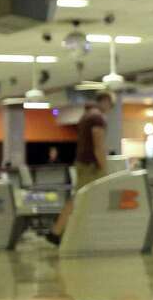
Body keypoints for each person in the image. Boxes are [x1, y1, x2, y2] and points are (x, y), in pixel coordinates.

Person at [46, 91, 113, 246]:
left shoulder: (86, 116)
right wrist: (104, 168)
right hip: (91, 165)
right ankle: (56, 232)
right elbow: (99, 146)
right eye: (111, 105)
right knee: (79, 198)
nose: (111, 108)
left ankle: (61, 231)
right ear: (105, 102)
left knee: (81, 198)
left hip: (83, 163)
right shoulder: (97, 118)